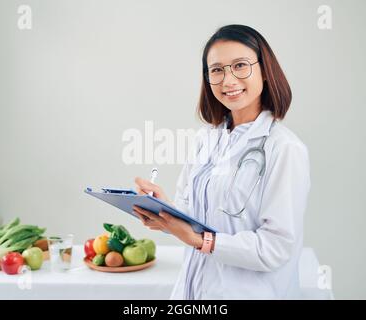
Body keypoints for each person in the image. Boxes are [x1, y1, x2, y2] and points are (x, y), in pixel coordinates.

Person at [133, 24, 310, 299]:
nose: (228, 81)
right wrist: (165, 211)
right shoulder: (207, 138)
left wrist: (200, 240)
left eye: (240, 66)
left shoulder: (284, 148)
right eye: (216, 70)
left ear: (265, 70)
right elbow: (195, 213)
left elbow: (275, 247)